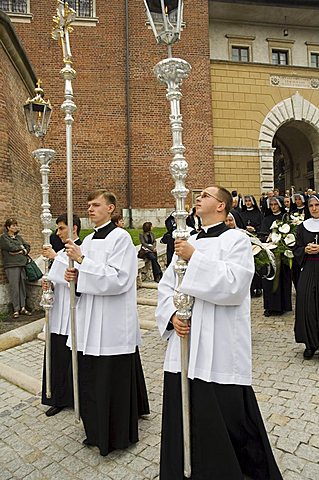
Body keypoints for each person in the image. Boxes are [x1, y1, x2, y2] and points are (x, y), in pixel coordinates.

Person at [156, 185, 283, 480]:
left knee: (222, 413)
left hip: (220, 342)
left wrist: (194, 257)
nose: (198, 199)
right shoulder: (186, 240)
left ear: (222, 206)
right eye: (197, 196)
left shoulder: (236, 240)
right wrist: (172, 314)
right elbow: (166, 286)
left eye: (205, 196)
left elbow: (234, 286)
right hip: (185, 339)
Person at [64, 189, 149, 456]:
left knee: (110, 381)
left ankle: (116, 436)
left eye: (96, 205)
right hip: (90, 320)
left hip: (112, 323)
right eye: (88, 205)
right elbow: (86, 272)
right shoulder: (88, 240)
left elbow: (119, 279)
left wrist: (82, 262)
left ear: (111, 209)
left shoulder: (121, 238)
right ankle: (95, 431)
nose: (90, 209)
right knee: (91, 378)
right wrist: (75, 276)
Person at [41, 213, 82, 417]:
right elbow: (59, 278)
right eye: (57, 229)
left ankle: (74, 396)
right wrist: (49, 283)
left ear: (74, 228)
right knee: (57, 353)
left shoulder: (84, 248)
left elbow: (79, 276)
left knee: (72, 356)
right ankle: (57, 396)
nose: (58, 233)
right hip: (59, 310)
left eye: (61, 228)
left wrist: (56, 259)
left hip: (75, 310)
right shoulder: (60, 251)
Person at [293, 194, 319, 359]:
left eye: (317, 205)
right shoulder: (302, 227)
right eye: (311, 206)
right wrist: (304, 250)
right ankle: (310, 344)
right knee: (306, 302)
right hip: (308, 267)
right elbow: (296, 248)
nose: (314, 209)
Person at [260, 197, 292, 317]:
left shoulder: (285, 217)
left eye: (275, 204)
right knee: (269, 280)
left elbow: (291, 234)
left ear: (280, 205)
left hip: (282, 254)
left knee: (283, 280)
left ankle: (282, 306)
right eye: (271, 204)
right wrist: (267, 238)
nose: (273, 207)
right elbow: (261, 235)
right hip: (269, 253)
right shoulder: (266, 219)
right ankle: (269, 307)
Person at [0, 218, 31, 318]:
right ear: (8, 227)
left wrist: (21, 250)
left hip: (22, 264)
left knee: (22, 286)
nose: (15, 227)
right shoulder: (3, 238)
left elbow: (27, 246)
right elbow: (10, 247)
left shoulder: (19, 238)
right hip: (11, 265)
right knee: (14, 287)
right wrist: (21, 248)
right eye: (13, 225)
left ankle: (23, 307)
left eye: (16, 225)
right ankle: (16, 309)